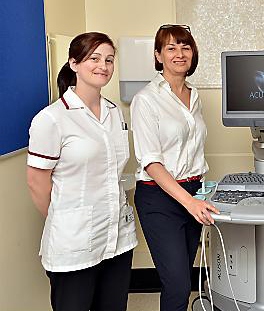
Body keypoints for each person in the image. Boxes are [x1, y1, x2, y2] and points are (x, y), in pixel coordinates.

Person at [26, 32, 138, 311]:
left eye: (109, 60)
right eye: (94, 58)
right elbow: (37, 185)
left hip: (117, 238)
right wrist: (68, 218)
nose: (103, 65)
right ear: (74, 63)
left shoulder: (115, 113)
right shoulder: (52, 119)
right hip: (73, 244)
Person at [130, 24, 219, 311]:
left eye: (185, 47)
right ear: (158, 56)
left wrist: (200, 195)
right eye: (170, 48)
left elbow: (191, 150)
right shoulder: (146, 100)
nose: (179, 54)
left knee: (184, 279)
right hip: (159, 197)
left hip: (194, 192)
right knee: (177, 283)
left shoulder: (194, 96)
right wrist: (189, 202)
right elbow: (151, 162)